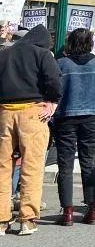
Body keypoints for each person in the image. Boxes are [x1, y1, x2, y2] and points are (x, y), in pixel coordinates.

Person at [0, 24, 62, 236]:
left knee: (3, 167)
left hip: (5, 113)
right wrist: (52, 101)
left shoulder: (4, 54)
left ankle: (1, 220)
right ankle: (27, 219)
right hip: (33, 112)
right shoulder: (42, 54)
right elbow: (54, 80)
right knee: (32, 166)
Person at [52, 29, 95, 227]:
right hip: (91, 116)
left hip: (66, 116)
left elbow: (54, 89)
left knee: (65, 165)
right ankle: (93, 210)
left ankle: (67, 212)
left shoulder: (62, 63)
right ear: (90, 43)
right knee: (89, 163)